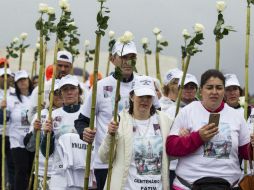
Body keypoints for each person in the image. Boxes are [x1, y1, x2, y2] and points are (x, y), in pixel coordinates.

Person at [166, 69, 254, 190]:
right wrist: (198, 137)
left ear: (224, 91)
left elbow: (246, 153)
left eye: (219, 87)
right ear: (201, 90)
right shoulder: (188, 112)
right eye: (209, 87)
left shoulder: (236, 116)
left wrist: (252, 146)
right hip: (188, 186)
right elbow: (171, 148)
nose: (214, 92)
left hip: (228, 185)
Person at [75, 40, 138, 190]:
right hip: (106, 163)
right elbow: (81, 121)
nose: (128, 62)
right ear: (112, 59)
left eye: (132, 57)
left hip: (134, 162)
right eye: (123, 57)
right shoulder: (101, 86)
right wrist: (84, 132)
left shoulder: (143, 84)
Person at [95, 75, 173, 189]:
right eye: (141, 96)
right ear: (131, 96)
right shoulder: (119, 120)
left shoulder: (165, 120)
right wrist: (110, 135)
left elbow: (173, 155)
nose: (145, 100)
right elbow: (104, 157)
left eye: (148, 96)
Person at [41, 75, 94, 189]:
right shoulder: (53, 115)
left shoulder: (88, 114)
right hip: (60, 173)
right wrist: (47, 135)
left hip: (82, 173)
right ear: (61, 94)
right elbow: (46, 152)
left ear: (79, 91)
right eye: (65, 89)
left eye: (72, 88)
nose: (69, 92)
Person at [23, 79, 63, 189]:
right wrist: (35, 131)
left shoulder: (74, 114)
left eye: (62, 92)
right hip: (43, 171)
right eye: (56, 93)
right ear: (49, 95)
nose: (59, 95)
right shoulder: (40, 115)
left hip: (65, 172)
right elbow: (30, 147)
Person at [4, 70, 34, 190]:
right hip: (17, 140)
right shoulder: (10, 98)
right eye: (19, 81)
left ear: (29, 80)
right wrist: (2, 110)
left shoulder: (36, 95)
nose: (22, 82)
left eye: (24, 79)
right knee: (21, 170)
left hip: (32, 139)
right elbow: (4, 120)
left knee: (31, 170)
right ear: (16, 84)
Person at [28, 50, 73, 121]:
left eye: (66, 66)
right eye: (60, 65)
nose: (63, 69)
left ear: (71, 67)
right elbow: (30, 117)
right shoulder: (41, 89)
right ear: (54, 66)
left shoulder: (79, 89)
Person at [0, 68, 15, 190]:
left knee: (12, 163)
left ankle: (10, 186)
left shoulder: (15, 93)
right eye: (2, 76)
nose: (5, 79)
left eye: (8, 76)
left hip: (11, 134)